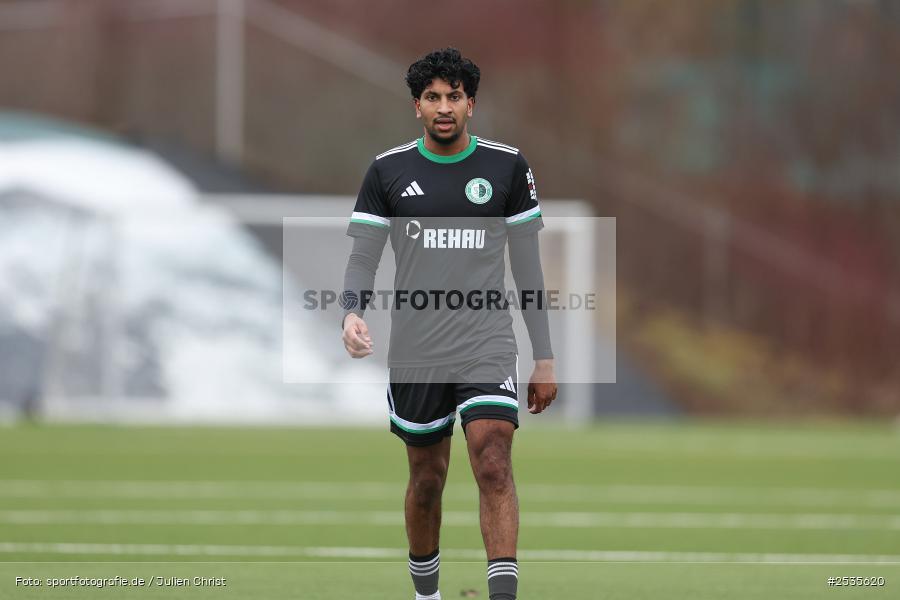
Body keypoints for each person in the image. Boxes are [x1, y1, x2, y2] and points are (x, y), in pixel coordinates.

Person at [341, 47, 557, 600]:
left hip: (486, 342)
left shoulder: (507, 167)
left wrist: (544, 355)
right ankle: (427, 596)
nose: (444, 106)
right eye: (433, 97)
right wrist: (351, 310)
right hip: (417, 347)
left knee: (492, 459)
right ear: (417, 106)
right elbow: (364, 254)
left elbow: (528, 266)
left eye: (454, 97)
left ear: (471, 104)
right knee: (427, 480)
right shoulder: (388, 171)